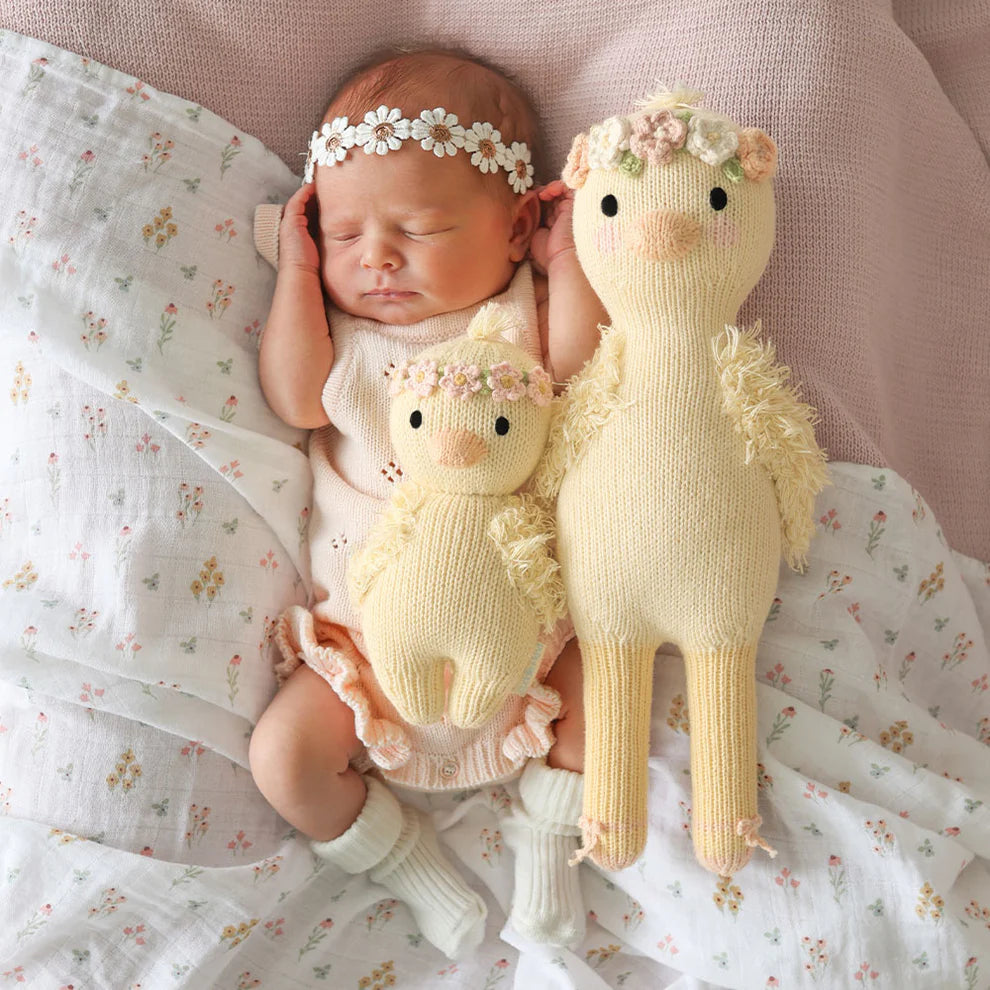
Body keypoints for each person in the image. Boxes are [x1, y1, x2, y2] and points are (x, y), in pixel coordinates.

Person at [247, 46, 605, 959]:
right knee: (284, 760)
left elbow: (582, 371)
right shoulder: (344, 337)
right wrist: (298, 276)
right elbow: (293, 399)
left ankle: (548, 847)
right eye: (343, 233)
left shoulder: (513, 318)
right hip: (363, 649)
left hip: (532, 640)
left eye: (421, 228)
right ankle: (406, 862)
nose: (377, 258)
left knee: (607, 697)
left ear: (516, 227)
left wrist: (569, 266)